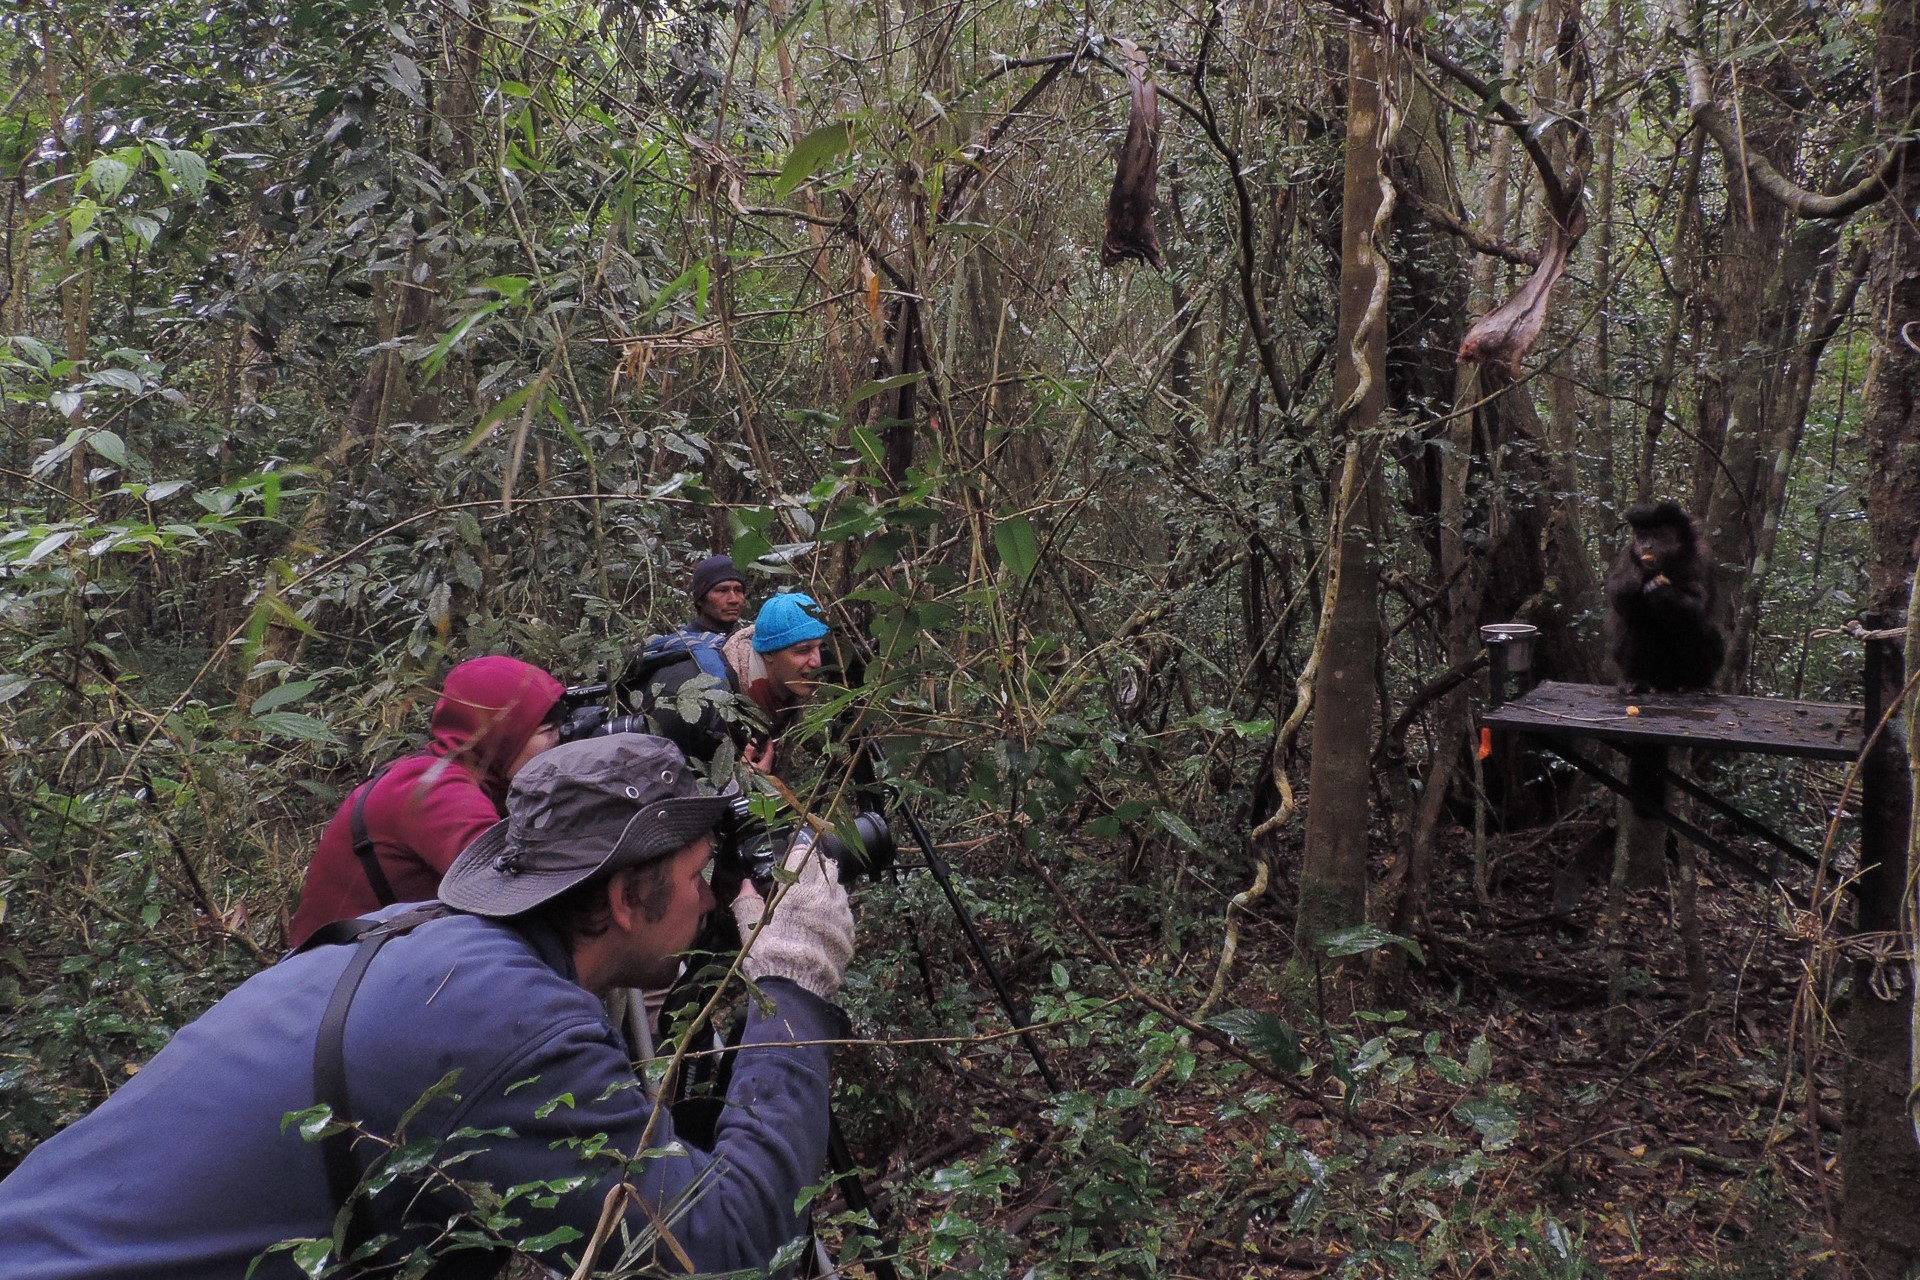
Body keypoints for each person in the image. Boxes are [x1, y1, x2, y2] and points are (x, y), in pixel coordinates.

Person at [0, 734, 857, 1280]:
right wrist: (789, 977)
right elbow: (731, 1252)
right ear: (630, 898)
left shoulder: (410, 936)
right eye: (700, 875)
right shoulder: (506, 1025)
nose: (713, 902)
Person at [286, 654, 564, 948]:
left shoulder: (453, 777)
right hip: (332, 976)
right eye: (547, 731)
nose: (559, 741)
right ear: (504, 735)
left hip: (364, 963)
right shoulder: (431, 787)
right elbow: (514, 884)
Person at [686, 552, 747, 635]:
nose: (733, 600)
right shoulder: (680, 644)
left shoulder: (749, 641)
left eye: (738, 590)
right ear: (700, 599)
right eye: (722, 590)